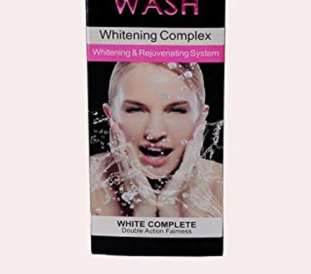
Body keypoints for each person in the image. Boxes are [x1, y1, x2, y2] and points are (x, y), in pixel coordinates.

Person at [90, 61, 222, 217]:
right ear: (110, 115)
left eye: (177, 110)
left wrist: (171, 208)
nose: (154, 133)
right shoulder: (85, 180)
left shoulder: (225, 184)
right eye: (135, 109)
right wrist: (143, 208)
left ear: (200, 118)